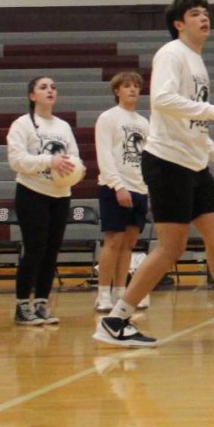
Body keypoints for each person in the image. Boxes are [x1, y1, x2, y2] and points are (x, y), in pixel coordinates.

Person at [95, 0, 214, 348]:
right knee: (170, 248)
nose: (204, 19)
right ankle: (115, 320)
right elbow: (161, 100)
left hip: (193, 162)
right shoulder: (172, 53)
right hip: (167, 162)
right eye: (195, 14)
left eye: (206, 13)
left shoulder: (197, 61)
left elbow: (189, 123)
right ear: (179, 23)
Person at [6, 76, 80, 325]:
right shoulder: (22, 124)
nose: (50, 90)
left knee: (51, 250)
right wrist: (49, 161)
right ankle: (21, 305)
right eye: (43, 87)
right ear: (32, 96)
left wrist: (74, 170)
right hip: (31, 192)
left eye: (53, 87)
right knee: (35, 248)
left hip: (60, 194)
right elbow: (17, 161)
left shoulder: (63, 126)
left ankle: (41, 303)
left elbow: (74, 158)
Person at [93, 71, 151, 313]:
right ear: (117, 91)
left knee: (129, 243)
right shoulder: (108, 118)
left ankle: (120, 292)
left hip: (139, 187)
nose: (133, 90)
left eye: (136, 86)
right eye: (127, 86)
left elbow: (147, 157)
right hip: (114, 186)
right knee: (113, 241)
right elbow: (104, 155)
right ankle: (102, 293)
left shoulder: (143, 122)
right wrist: (118, 186)